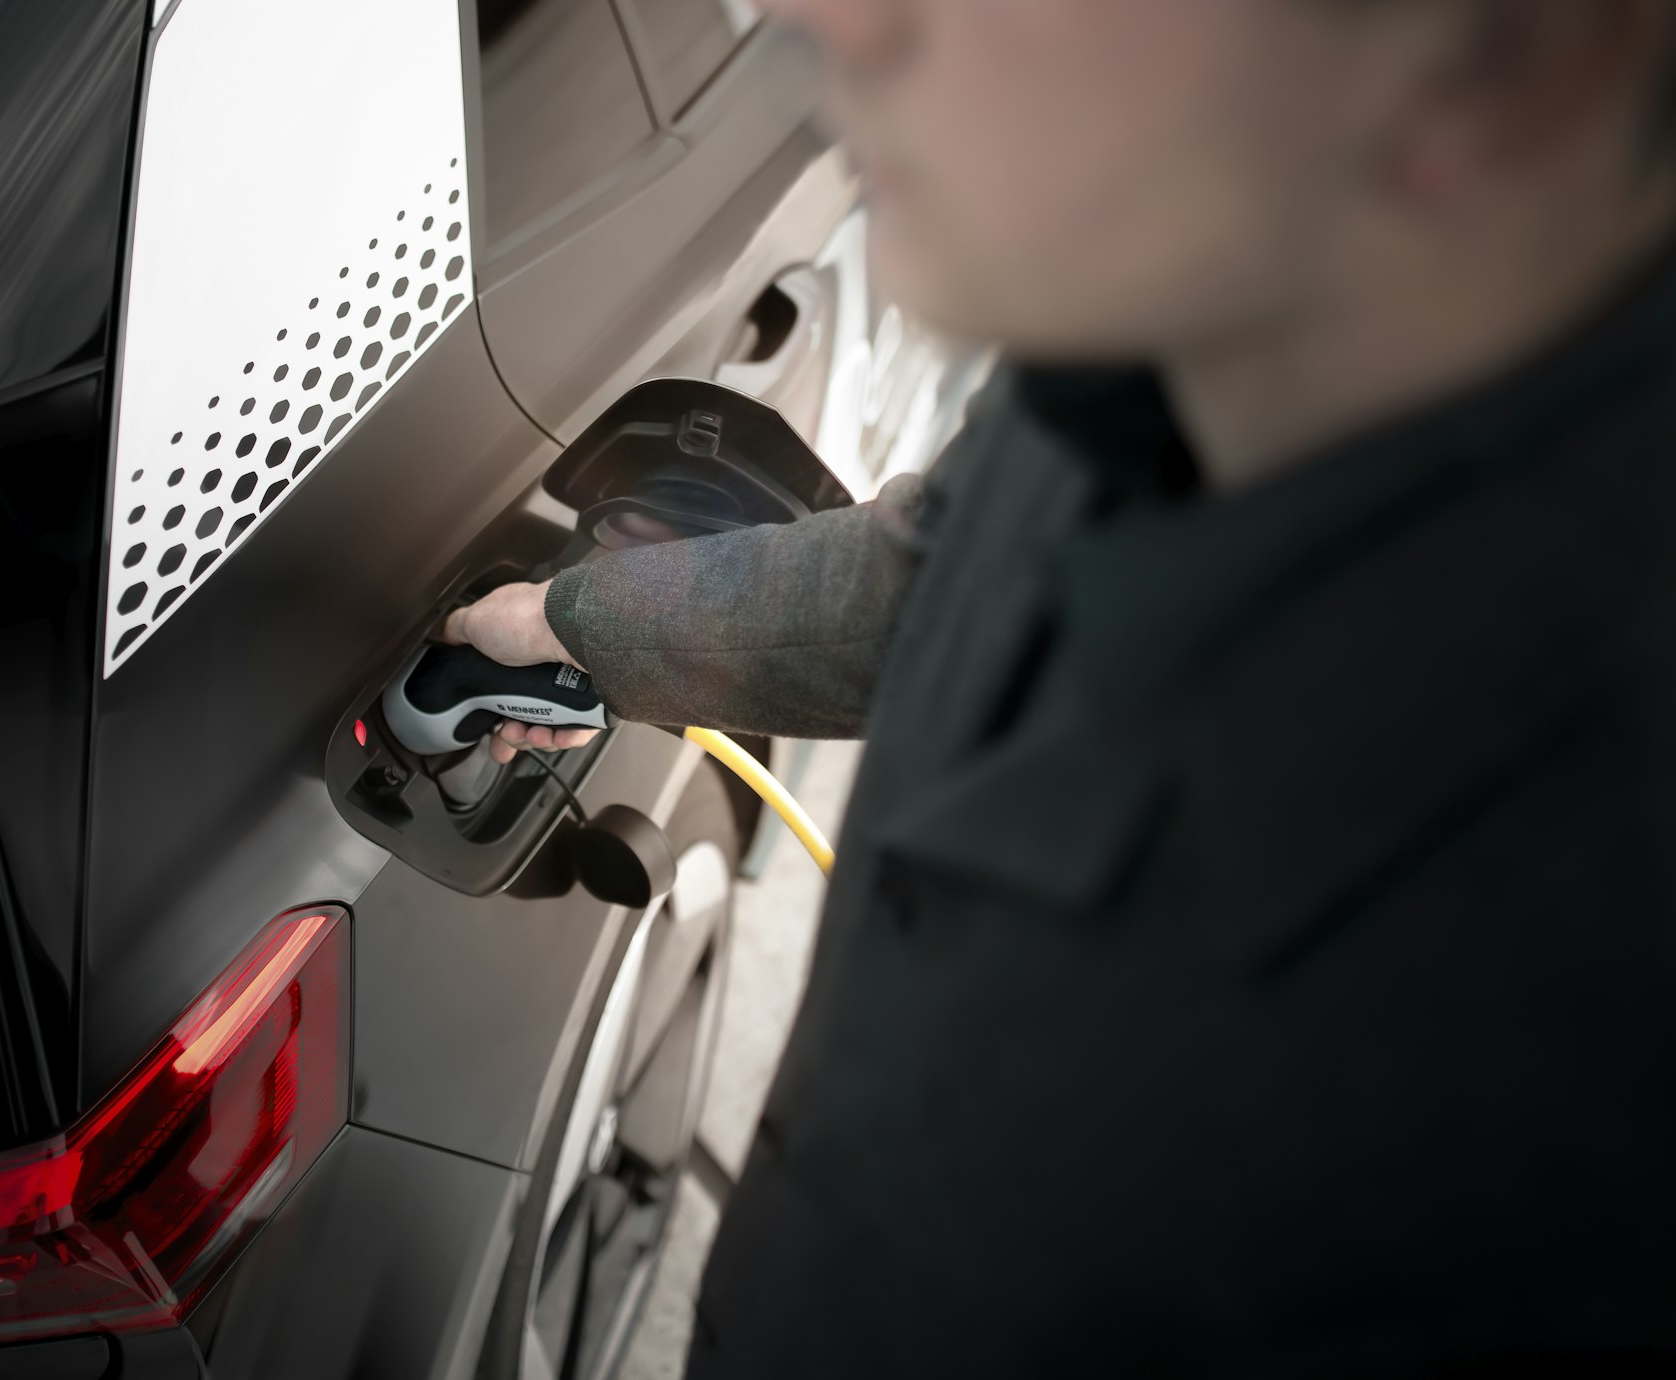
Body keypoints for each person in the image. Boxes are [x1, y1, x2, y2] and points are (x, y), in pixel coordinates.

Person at [447, 1, 1676, 1372]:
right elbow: (927, 574)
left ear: (1497, 59)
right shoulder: (1156, 322)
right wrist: (580, 620)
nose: (819, 13)